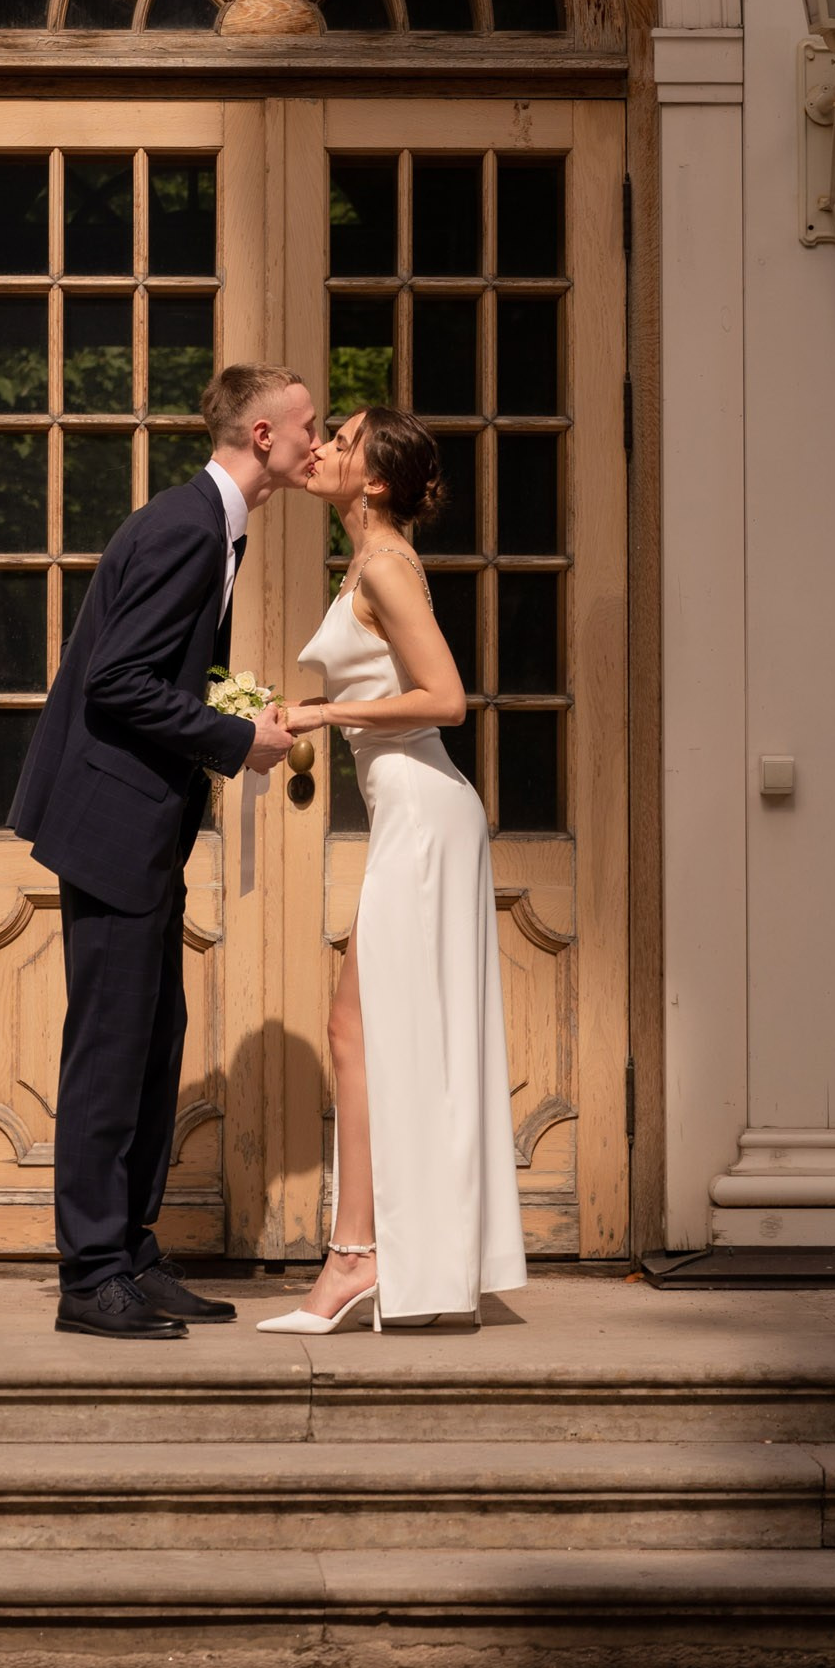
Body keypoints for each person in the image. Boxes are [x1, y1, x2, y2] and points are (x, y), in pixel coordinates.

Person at [10, 362, 317, 1340]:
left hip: (139, 831)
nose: (318, 439)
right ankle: (88, 1271)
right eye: (307, 424)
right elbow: (115, 683)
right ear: (261, 436)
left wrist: (224, 707)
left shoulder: (209, 526)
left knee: (152, 1045)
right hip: (108, 829)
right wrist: (237, 739)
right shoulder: (186, 527)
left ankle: (131, 1250)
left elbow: (151, 676)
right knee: (111, 1052)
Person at [260, 406, 527, 1334]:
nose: (324, 447)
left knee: (356, 1031)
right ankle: (376, 1255)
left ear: (372, 481)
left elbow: (446, 698)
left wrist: (323, 717)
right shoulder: (371, 560)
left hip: (423, 813)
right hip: (411, 812)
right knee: (365, 1034)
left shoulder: (381, 562)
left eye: (343, 440)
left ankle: (357, 1258)